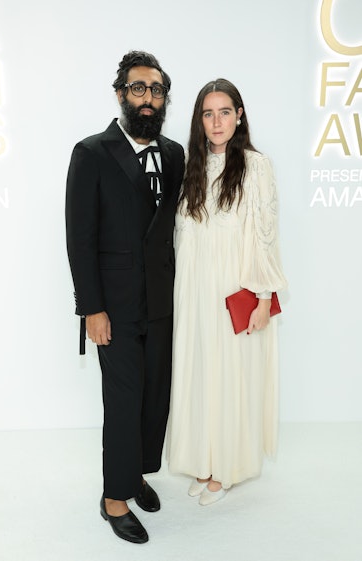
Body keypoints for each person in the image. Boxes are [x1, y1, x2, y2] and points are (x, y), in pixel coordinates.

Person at [65, 51, 184, 543]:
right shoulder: (92, 152)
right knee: (123, 399)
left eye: (156, 90)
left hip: (161, 301)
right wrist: (91, 308)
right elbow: (79, 238)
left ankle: (135, 475)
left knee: (154, 398)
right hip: (112, 307)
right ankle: (114, 498)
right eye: (139, 88)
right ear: (120, 94)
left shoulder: (176, 154)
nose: (148, 99)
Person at [166, 78, 287, 506]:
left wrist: (264, 297)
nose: (216, 122)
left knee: (231, 376)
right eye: (207, 113)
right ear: (199, 121)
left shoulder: (256, 166)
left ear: (239, 116)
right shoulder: (190, 169)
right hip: (195, 290)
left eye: (224, 112)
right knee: (199, 372)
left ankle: (228, 467)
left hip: (233, 289)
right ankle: (204, 459)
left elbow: (264, 236)